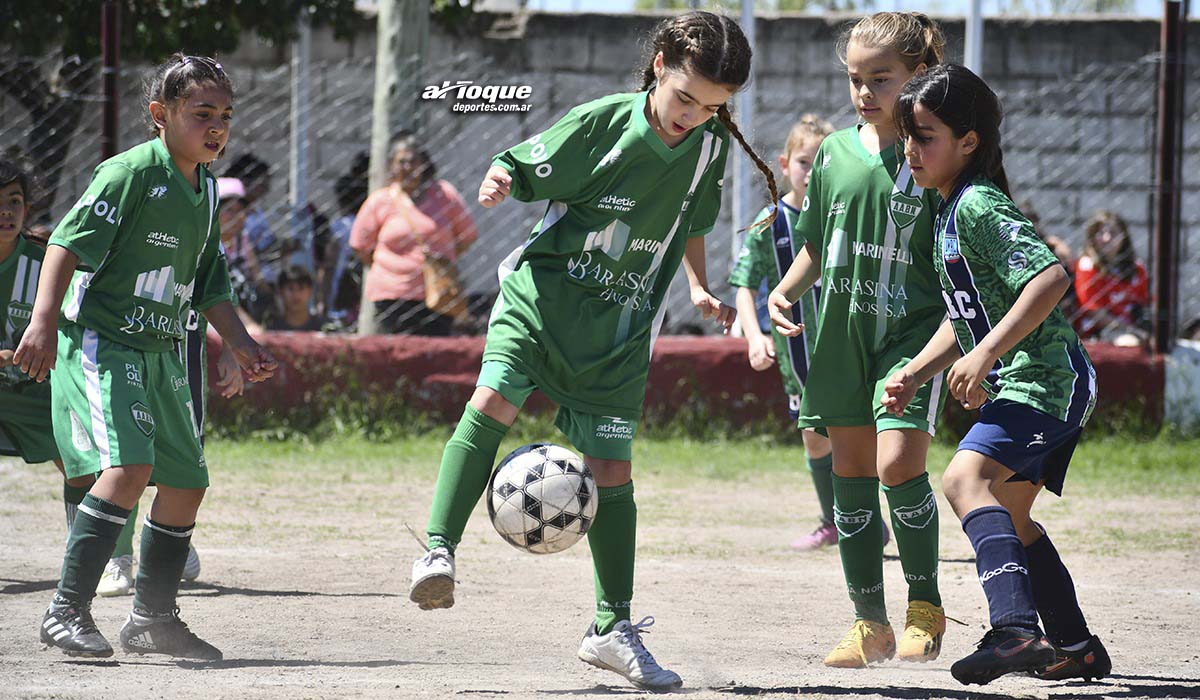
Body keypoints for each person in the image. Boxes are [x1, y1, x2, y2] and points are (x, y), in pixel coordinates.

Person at [408, 11, 775, 690]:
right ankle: (438, 552)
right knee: (493, 399)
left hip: (618, 331)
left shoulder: (709, 147)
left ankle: (611, 628)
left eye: (713, 108)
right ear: (661, 63)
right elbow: (519, 163)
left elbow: (691, 222)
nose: (691, 116)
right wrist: (499, 182)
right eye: (684, 98)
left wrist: (698, 285)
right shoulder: (604, 122)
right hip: (542, 303)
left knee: (611, 469)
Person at [16, 53, 276, 660]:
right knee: (129, 470)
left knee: (186, 481)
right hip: (106, 342)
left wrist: (238, 342)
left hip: (164, 348)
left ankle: (154, 619)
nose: (216, 126)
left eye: (226, 116)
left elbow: (210, 278)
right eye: (201, 113)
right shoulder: (128, 173)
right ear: (160, 115)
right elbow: (64, 244)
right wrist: (44, 319)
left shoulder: (208, 189)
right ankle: (66, 611)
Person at [886, 63, 1109, 685]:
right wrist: (919, 370)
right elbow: (965, 320)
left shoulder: (979, 204)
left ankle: (1014, 631)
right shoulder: (947, 211)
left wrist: (985, 354)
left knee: (963, 478)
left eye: (924, 134)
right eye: (907, 134)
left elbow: (1050, 278)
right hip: (1035, 383)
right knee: (1009, 516)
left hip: (1046, 380)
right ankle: (1076, 647)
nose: (911, 147)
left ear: (969, 142)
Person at [768, 12, 951, 668]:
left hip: (910, 335)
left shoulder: (934, 154)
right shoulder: (835, 156)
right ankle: (868, 621)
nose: (866, 91)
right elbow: (819, 242)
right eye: (855, 79)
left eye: (882, 78)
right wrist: (785, 289)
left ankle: (925, 606)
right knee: (849, 470)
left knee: (897, 464)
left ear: (918, 76)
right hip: (841, 336)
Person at [730, 115, 886, 551]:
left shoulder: (845, 213)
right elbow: (745, 282)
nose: (810, 171)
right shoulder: (771, 221)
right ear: (784, 164)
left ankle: (866, 518)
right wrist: (754, 334)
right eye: (803, 161)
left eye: (820, 163)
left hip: (850, 342)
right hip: (797, 350)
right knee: (815, 437)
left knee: (861, 434)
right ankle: (834, 520)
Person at [350, 135, 477, 336]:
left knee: (435, 354)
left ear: (424, 164)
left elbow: (468, 235)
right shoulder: (380, 201)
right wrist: (391, 265)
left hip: (438, 294)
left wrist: (439, 260)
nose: (407, 167)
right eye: (401, 162)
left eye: (413, 161)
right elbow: (360, 245)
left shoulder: (444, 195)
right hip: (392, 294)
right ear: (392, 166)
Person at [1074, 210, 1148, 345]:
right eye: (1100, 233)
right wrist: (1127, 329)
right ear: (1092, 238)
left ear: (1123, 236)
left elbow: (1143, 303)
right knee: (1129, 343)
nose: (1106, 238)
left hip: (1132, 326)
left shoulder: (1137, 268)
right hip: (1099, 330)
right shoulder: (1088, 265)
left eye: (1113, 233)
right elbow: (1093, 312)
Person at [266, 265, 327, 331]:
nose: (296, 295)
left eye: (301, 288)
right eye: (290, 289)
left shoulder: (324, 329)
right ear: (281, 292)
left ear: (310, 291)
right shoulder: (271, 331)